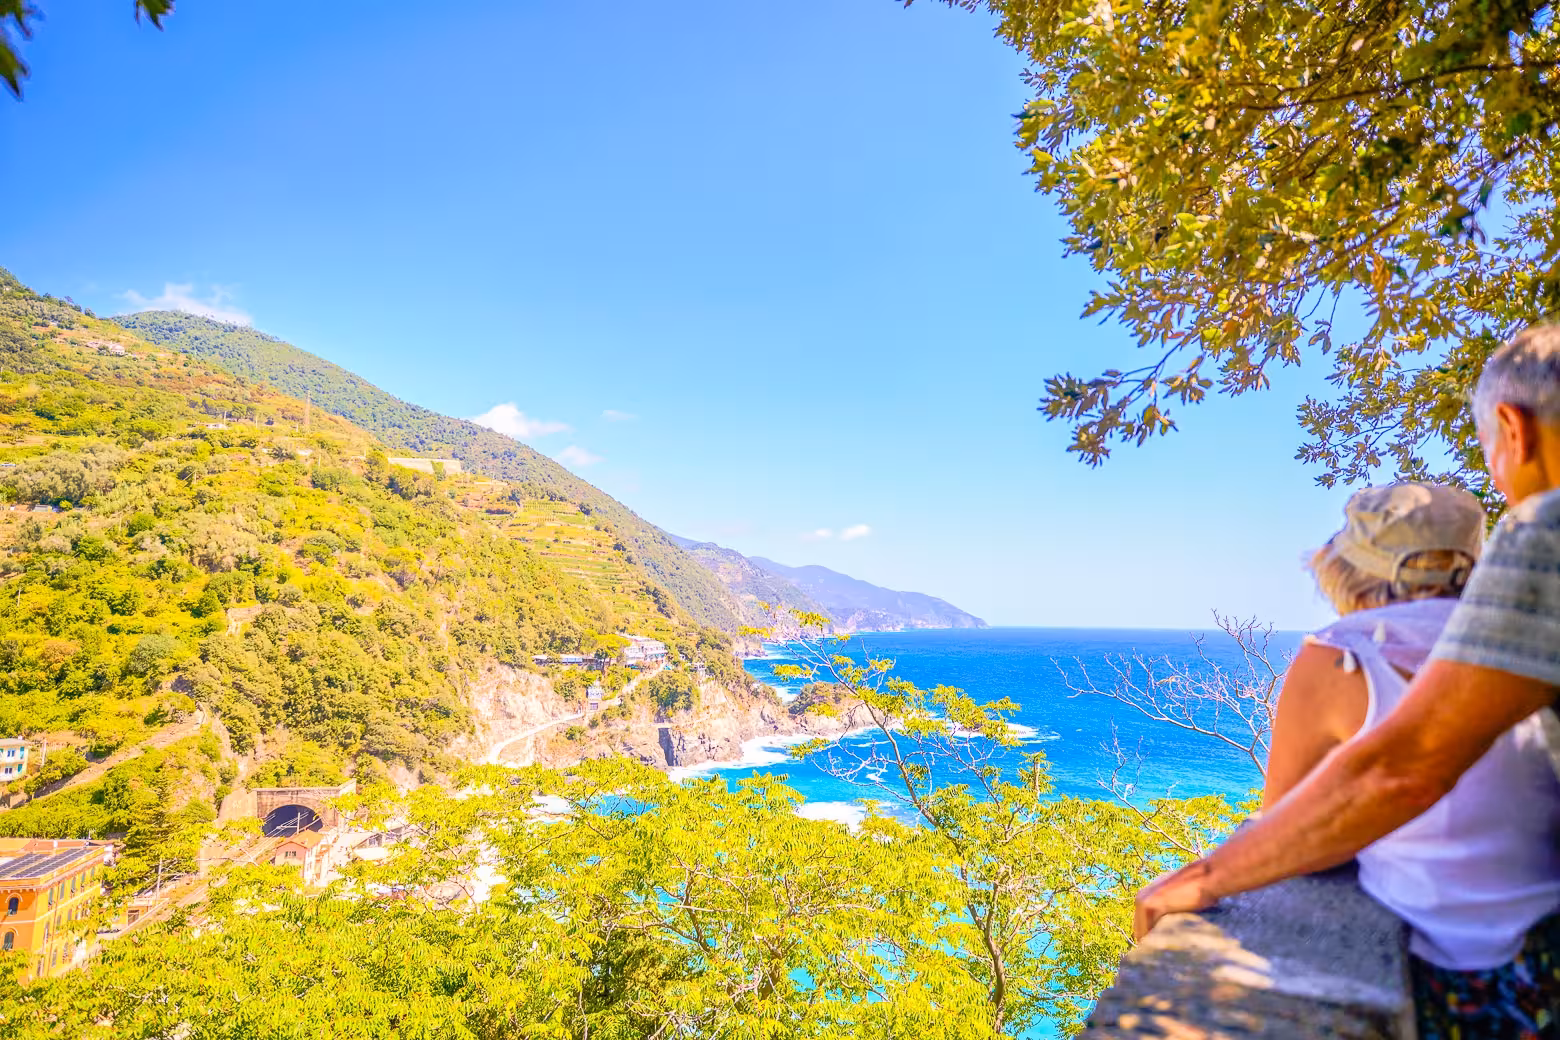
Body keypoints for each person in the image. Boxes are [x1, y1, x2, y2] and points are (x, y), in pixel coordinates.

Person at [1135, 326, 1560, 1011]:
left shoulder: (1342, 651)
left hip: (1486, 973)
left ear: (1512, 429)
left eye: (1492, 454)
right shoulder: (1523, 639)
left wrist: (1206, 877)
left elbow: (1357, 796)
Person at [1264, 482, 1560, 1034]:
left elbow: (1290, 837)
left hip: (1455, 969)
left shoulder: (1340, 657)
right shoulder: (1531, 645)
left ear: (1347, 570)